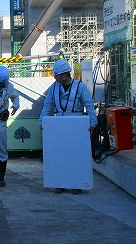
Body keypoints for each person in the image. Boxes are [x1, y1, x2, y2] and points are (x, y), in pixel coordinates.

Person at [38, 59, 97, 194]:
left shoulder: (80, 87)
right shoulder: (53, 88)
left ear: (65, 75)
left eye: (56, 74)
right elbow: (47, 106)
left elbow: (89, 105)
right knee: (59, 154)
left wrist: (92, 123)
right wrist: (42, 121)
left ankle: (76, 183)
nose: (54, 77)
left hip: (76, 125)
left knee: (76, 155)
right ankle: (60, 182)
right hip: (58, 124)